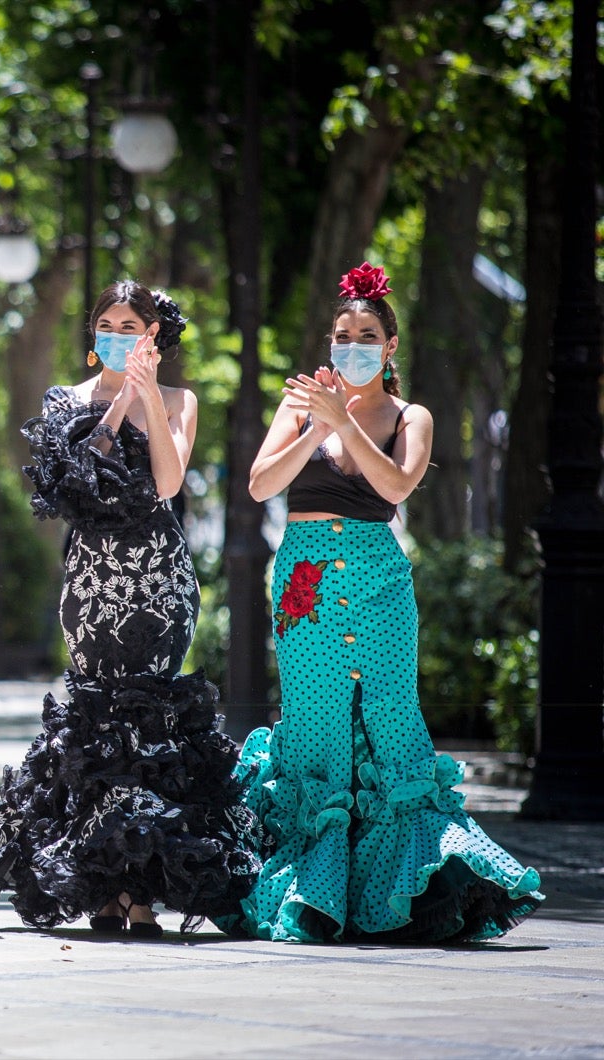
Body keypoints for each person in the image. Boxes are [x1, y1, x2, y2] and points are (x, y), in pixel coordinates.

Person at [221, 262, 543, 942]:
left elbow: (396, 486)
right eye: (343, 335)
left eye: (367, 335)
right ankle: (313, 887)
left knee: (391, 717)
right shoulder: (300, 406)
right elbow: (258, 485)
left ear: (390, 346)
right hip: (304, 582)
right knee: (315, 723)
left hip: (378, 580)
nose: (353, 345)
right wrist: (317, 425)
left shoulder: (411, 415)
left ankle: (404, 886)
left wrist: (349, 422)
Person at [0, 281, 260, 937]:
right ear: (94, 336)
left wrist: (148, 393)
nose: (117, 335)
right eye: (107, 325)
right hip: (92, 576)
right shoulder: (66, 400)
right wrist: (120, 400)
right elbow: (74, 481)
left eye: (131, 326)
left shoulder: (180, 400)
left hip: (160, 575)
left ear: (154, 338)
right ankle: (100, 884)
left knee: (150, 721)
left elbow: (169, 482)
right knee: (97, 718)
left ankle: (143, 889)